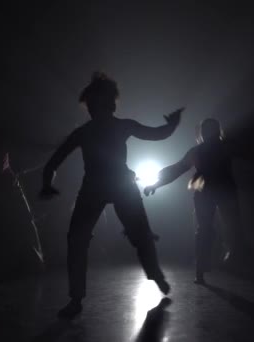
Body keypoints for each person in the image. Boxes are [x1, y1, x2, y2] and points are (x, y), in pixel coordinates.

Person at [40, 72, 184, 317]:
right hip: (111, 186)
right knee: (132, 235)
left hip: (102, 186)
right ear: (110, 104)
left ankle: (78, 298)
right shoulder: (112, 127)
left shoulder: (88, 131)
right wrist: (172, 124)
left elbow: (53, 163)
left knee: (83, 239)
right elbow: (158, 134)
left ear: (96, 106)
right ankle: (153, 276)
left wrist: (47, 182)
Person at [144, 118, 247, 284]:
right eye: (206, 130)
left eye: (210, 130)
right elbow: (177, 169)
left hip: (213, 191)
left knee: (222, 228)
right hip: (210, 191)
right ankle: (205, 269)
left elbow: (177, 169)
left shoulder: (214, 149)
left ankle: (212, 267)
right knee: (213, 229)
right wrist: (156, 184)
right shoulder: (210, 149)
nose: (208, 134)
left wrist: (156, 184)